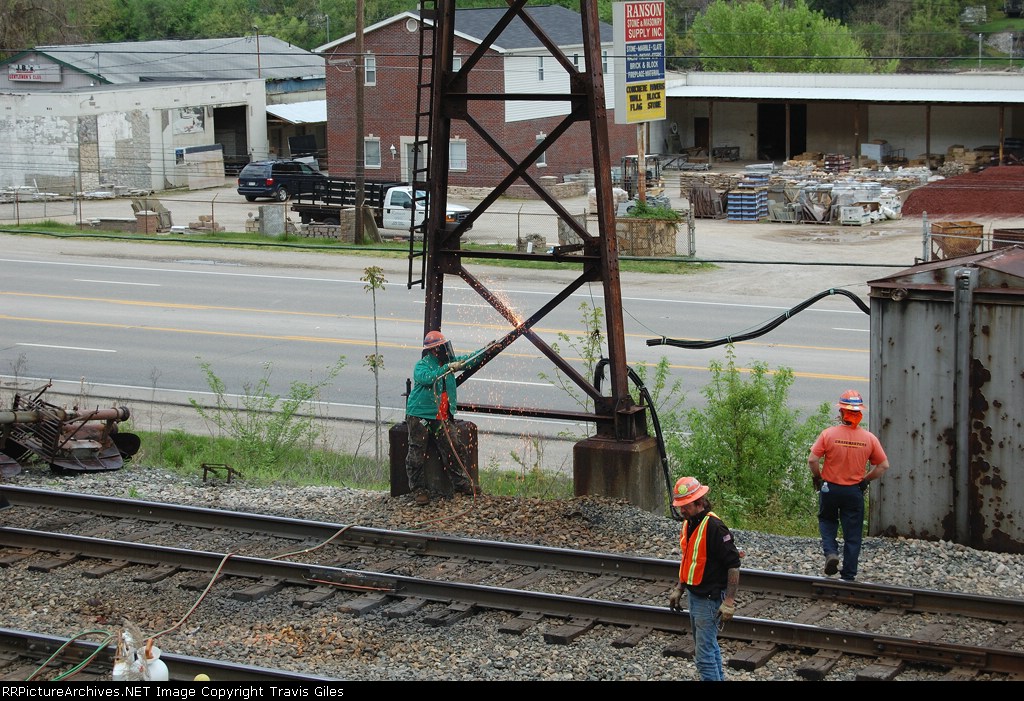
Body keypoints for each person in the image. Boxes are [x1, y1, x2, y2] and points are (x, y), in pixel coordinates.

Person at [808, 389, 890, 582]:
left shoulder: (828, 434)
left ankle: (831, 553)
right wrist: (865, 480)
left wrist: (818, 478)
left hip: (830, 488)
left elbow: (812, 460)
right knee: (853, 534)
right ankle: (849, 575)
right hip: (853, 491)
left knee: (827, 521)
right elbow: (883, 466)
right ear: (859, 413)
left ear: (842, 412)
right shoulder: (869, 439)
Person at [405, 330, 491, 506]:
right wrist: (446, 368)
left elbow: (467, 360)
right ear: (434, 350)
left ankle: (461, 484)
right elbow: (428, 379)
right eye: (442, 347)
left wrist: (485, 350)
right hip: (420, 416)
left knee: (454, 447)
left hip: (441, 417)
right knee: (416, 453)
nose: (446, 350)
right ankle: (418, 489)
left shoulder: (448, 362)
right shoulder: (422, 366)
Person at [668, 476, 741, 682]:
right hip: (695, 594)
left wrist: (728, 602)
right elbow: (689, 559)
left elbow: (733, 565)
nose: (682, 510)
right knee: (710, 649)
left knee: (704, 658)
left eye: (686, 506)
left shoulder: (715, 528)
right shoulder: (689, 523)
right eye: (680, 506)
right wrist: (680, 587)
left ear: (699, 502)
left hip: (709, 599)